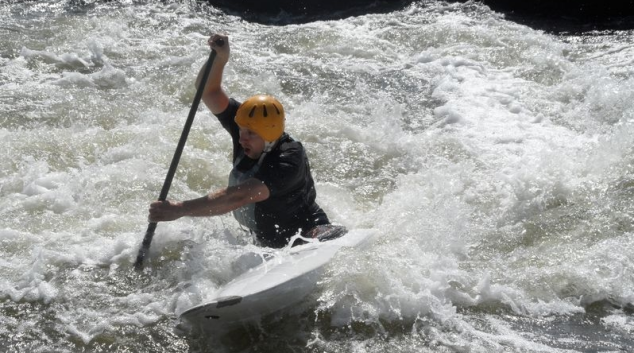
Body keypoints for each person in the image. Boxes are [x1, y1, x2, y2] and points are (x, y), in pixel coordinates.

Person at [148, 34, 346, 248]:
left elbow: (238, 197)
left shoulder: (288, 159)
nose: (241, 138)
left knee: (315, 233)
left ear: (270, 134)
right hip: (264, 240)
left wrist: (180, 209)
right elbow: (208, 90)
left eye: (250, 133)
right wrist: (220, 59)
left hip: (307, 234)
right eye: (241, 130)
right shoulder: (246, 130)